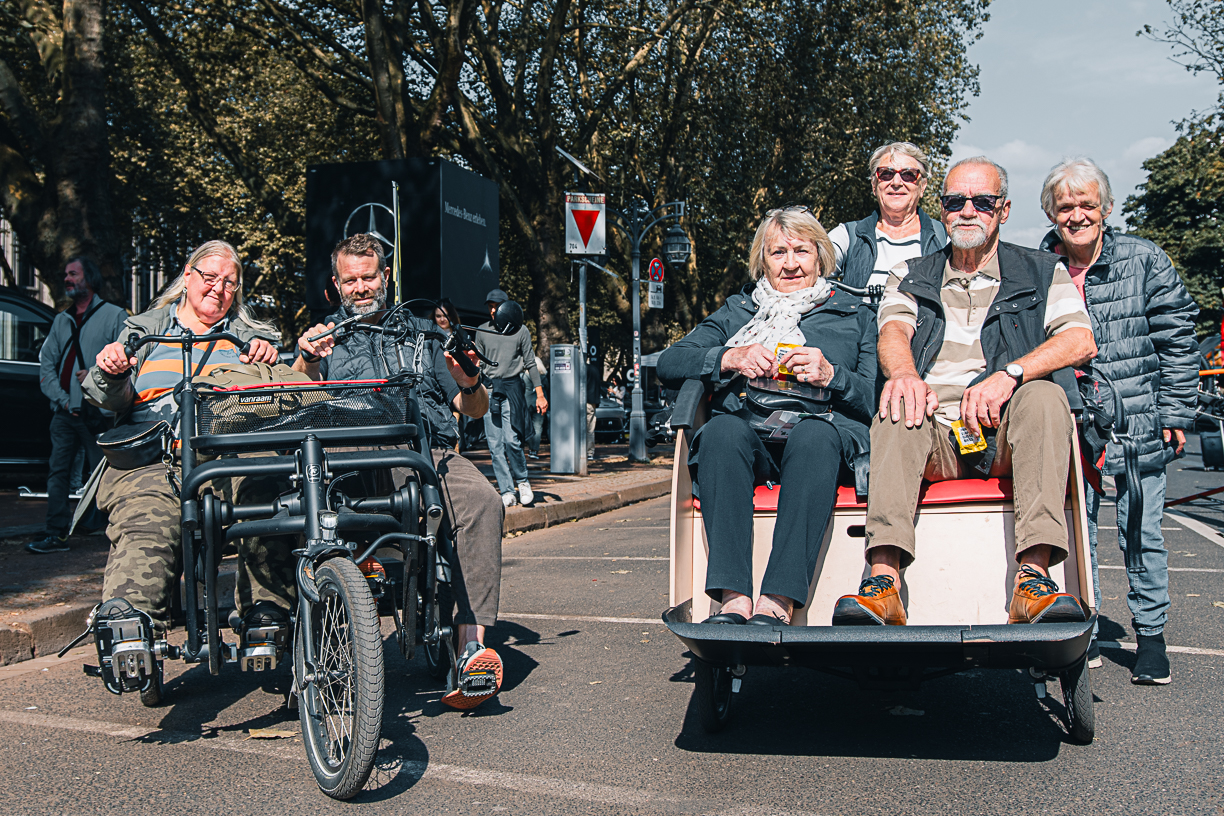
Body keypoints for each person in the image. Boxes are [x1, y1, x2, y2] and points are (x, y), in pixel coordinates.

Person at [833, 156, 1098, 627]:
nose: (968, 211)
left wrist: (1011, 374)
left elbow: (1080, 340)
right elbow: (893, 331)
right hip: (936, 432)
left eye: (982, 201)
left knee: (1044, 396)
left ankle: (1033, 581)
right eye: (956, 201)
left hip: (1008, 432)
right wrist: (906, 375)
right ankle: (882, 583)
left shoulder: (1040, 270)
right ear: (943, 207)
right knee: (897, 404)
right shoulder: (912, 273)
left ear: (1005, 209)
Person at [295, 234, 506, 709]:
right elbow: (300, 394)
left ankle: (471, 648)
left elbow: (472, 408)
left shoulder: (425, 333)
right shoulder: (324, 338)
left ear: (385, 276)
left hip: (425, 450)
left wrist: (469, 380)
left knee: (483, 501)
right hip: (350, 461)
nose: (360, 287)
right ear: (337, 283)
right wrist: (308, 357)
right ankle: (331, 642)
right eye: (350, 280)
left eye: (369, 277)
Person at [658, 207, 877, 625]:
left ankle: (779, 599)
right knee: (720, 431)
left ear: (820, 257)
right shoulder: (738, 310)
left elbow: (873, 398)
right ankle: (733, 598)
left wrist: (832, 376)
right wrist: (729, 356)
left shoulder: (854, 314)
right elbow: (672, 361)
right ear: (763, 260)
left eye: (801, 251)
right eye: (778, 253)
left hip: (824, 435)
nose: (791, 263)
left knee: (813, 436)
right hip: (751, 432)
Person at [84, 241, 290, 677]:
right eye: (210, 277)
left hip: (229, 456)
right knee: (148, 516)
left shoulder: (252, 340)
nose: (218, 288)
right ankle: (130, 623)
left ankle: (267, 617)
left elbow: (286, 395)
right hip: (156, 457)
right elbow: (108, 399)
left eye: (229, 282)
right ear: (188, 275)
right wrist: (111, 370)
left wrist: (269, 360)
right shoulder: (142, 332)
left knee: (266, 501)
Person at [1038, 158, 1197, 683]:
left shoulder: (1144, 259)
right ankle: (1084, 630)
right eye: (1066, 206)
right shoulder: (1039, 264)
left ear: (1106, 208)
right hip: (1070, 415)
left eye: (1087, 204)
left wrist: (1175, 409)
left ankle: (1151, 639)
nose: (1077, 214)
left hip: (1138, 413)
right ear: (1051, 213)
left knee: (1141, 530)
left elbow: (1177, 338)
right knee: (1075, 531)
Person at [28, 257, 127, 554]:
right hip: (64, 412)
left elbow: (129, 361)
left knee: (107, 473)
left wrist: (96, 376)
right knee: (57, 472)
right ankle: (56, 533)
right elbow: (46, 364)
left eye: (74, 274)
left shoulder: (114, 316)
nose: (68, 279)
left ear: (90, 279)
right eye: (66, 274)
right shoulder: (62, 320)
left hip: (97, 413)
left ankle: (113, 533)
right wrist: (60, 398)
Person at [829, 141, 948, 290]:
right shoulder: (848, 236)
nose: (896, 182)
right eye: (886, 174)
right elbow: (810, 271)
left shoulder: (945, 239)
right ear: (874, 185)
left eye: (908, 175)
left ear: (922, 186)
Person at [475, 288, 547, 507]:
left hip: (512, 389)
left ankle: (523, 481)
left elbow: (530, 362)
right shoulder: (482, 330)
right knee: (495, 445)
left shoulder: (520, 331)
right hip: (488, 390)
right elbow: (477, 364)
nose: (493, 311)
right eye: (490, 306)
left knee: (512, 440)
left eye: (497, 306)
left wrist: (540, 394)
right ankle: (507, 490)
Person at [433, 298, 464, 451]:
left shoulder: (458, 335)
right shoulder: (429, 335)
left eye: (445, 315)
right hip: (437, 388)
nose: (442, 319)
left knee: (455, 425)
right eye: (438, 316)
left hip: (454, 385)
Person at [523, 355, 546, 460]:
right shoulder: (544, 376)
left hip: (526, 402)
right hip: (541, 403)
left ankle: (524, 447)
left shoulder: (524, 375)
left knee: (526, 425)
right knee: (538, 427)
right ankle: (534, 450)